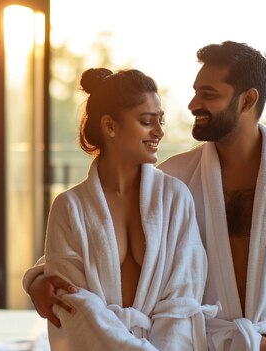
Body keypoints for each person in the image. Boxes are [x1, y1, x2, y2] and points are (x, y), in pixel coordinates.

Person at [25, 42, 266, 350]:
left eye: (209, 94)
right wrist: (39, 278)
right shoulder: (176, 178)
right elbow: (98, 242)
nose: (193, 104)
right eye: (195, 91)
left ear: (247, 100)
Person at [35, 67, 216, 351]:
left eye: (161, 121)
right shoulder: (70, 207)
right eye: (147, 121)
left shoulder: (174, 198)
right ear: (110, 126)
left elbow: (183, 300)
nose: (159, 132)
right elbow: (74, 309)